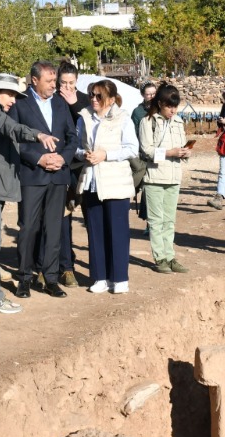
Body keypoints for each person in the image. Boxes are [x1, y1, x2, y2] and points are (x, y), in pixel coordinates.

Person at [0, 74, 59, 314]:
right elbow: (10, 128)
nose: (14, 100)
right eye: (10, 94)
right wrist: (38, 135)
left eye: (16, 95)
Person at [12, 62, 80, 299]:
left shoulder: (60, 103)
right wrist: (39, 158)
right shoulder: (20, 104)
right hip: (32, 175)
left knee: (54, 228)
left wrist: (63, 158)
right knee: (29, 228)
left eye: (55, 81)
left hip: (58, 175)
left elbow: (72, 137)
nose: (55, 85)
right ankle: (24, 278)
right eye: (50, 81)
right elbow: (15, 140)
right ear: (34, 80)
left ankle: (51, 278)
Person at [77, 80, 139, 293]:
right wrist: (83, 154)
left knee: (118, 231)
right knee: (95, 231)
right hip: (92, 181)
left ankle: (119, 277)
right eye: (91, 95)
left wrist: (106, 155)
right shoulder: (84, 117)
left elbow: (132, 149)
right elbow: (76, 146)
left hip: (116, 181)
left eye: (98, 96)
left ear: (111, 99)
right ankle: (99, 277)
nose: (94, 99)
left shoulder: (123, 118)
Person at [137, 83, 193, 273]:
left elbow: (181, 148)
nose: (173, 110)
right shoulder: (148, 121)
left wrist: (185, 153)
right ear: (160, 103)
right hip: (154, 177)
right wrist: (170, 152)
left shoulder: (178, 121)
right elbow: (146, 150)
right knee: (156, 220)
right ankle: (160, 258)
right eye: (169, 106)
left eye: (175, 106)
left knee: (170, 220)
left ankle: (170, 256)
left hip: (174, 176)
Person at [54, 62, 84, 286]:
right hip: (57, 163)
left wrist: (74, 105)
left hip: (79, 166)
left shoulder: (84, 100)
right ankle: (61, 264)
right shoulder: (50, 99)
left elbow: (88, 126)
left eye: (71, 83)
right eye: (63, 82)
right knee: (58, 216)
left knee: (75, 214)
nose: (67, 87)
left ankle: (69, 263)